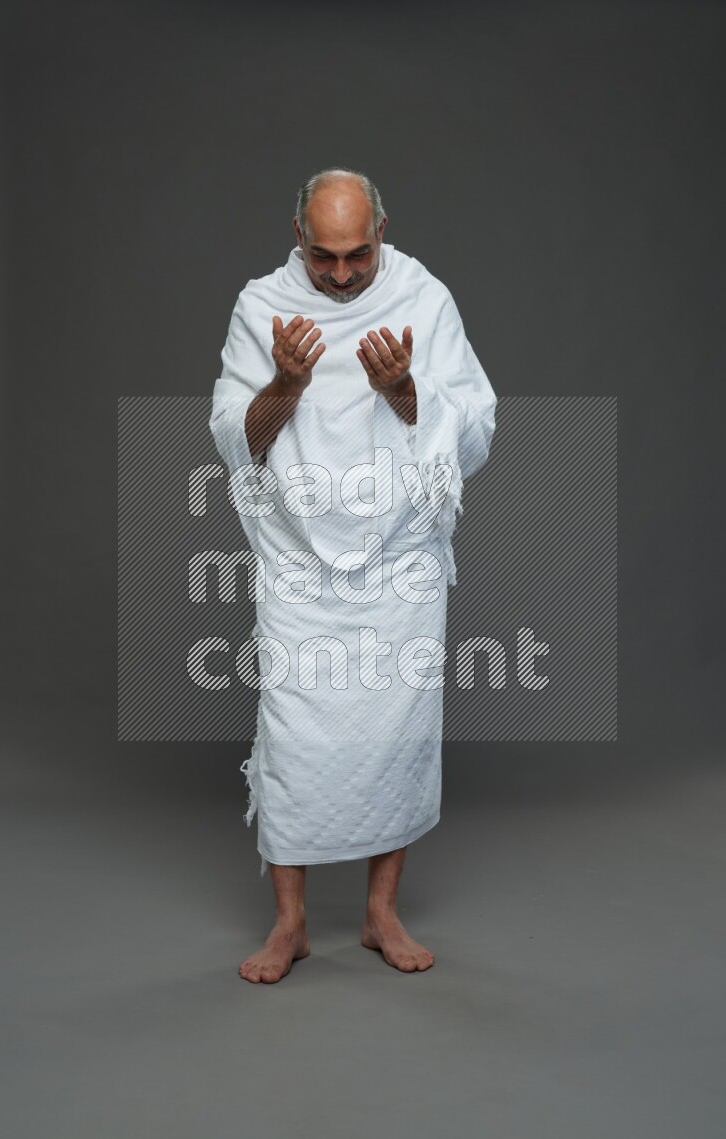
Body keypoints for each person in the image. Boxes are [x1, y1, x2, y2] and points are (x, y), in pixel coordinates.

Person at [209, 168, 496, 982]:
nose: (340, 274)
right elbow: (236, 436)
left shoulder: (424, 298)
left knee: (395, 732)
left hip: (398, 554)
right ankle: (290, 924)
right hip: (299, 555)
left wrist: (405, 390)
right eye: (324, 255)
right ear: (297, 234)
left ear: (383, 233)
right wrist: (287, 384)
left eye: (357, 255)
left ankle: (379, 914)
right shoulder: (260, 305)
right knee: (294, 731)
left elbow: (474, 427)